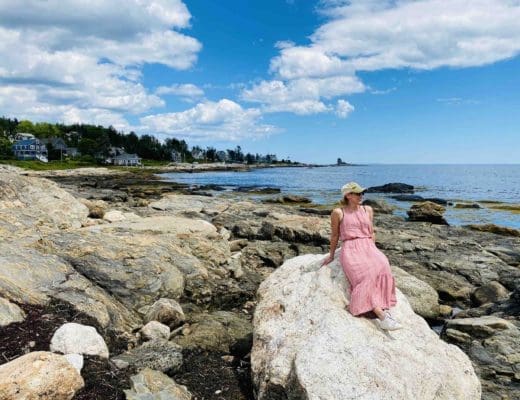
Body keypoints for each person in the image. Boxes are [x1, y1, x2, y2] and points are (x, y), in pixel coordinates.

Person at [322, 182, 402, 331]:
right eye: (358, 193)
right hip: (351, 248)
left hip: (368, 246)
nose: (361, 196)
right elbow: (334, 236)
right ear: (348, 195)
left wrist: (374, 250)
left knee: (384, 266)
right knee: (366, 276)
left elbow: (371, 232)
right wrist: (331, 255)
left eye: (362, 193)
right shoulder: (338, 213)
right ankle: (382, 316)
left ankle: (382, 307)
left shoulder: (367, 209)